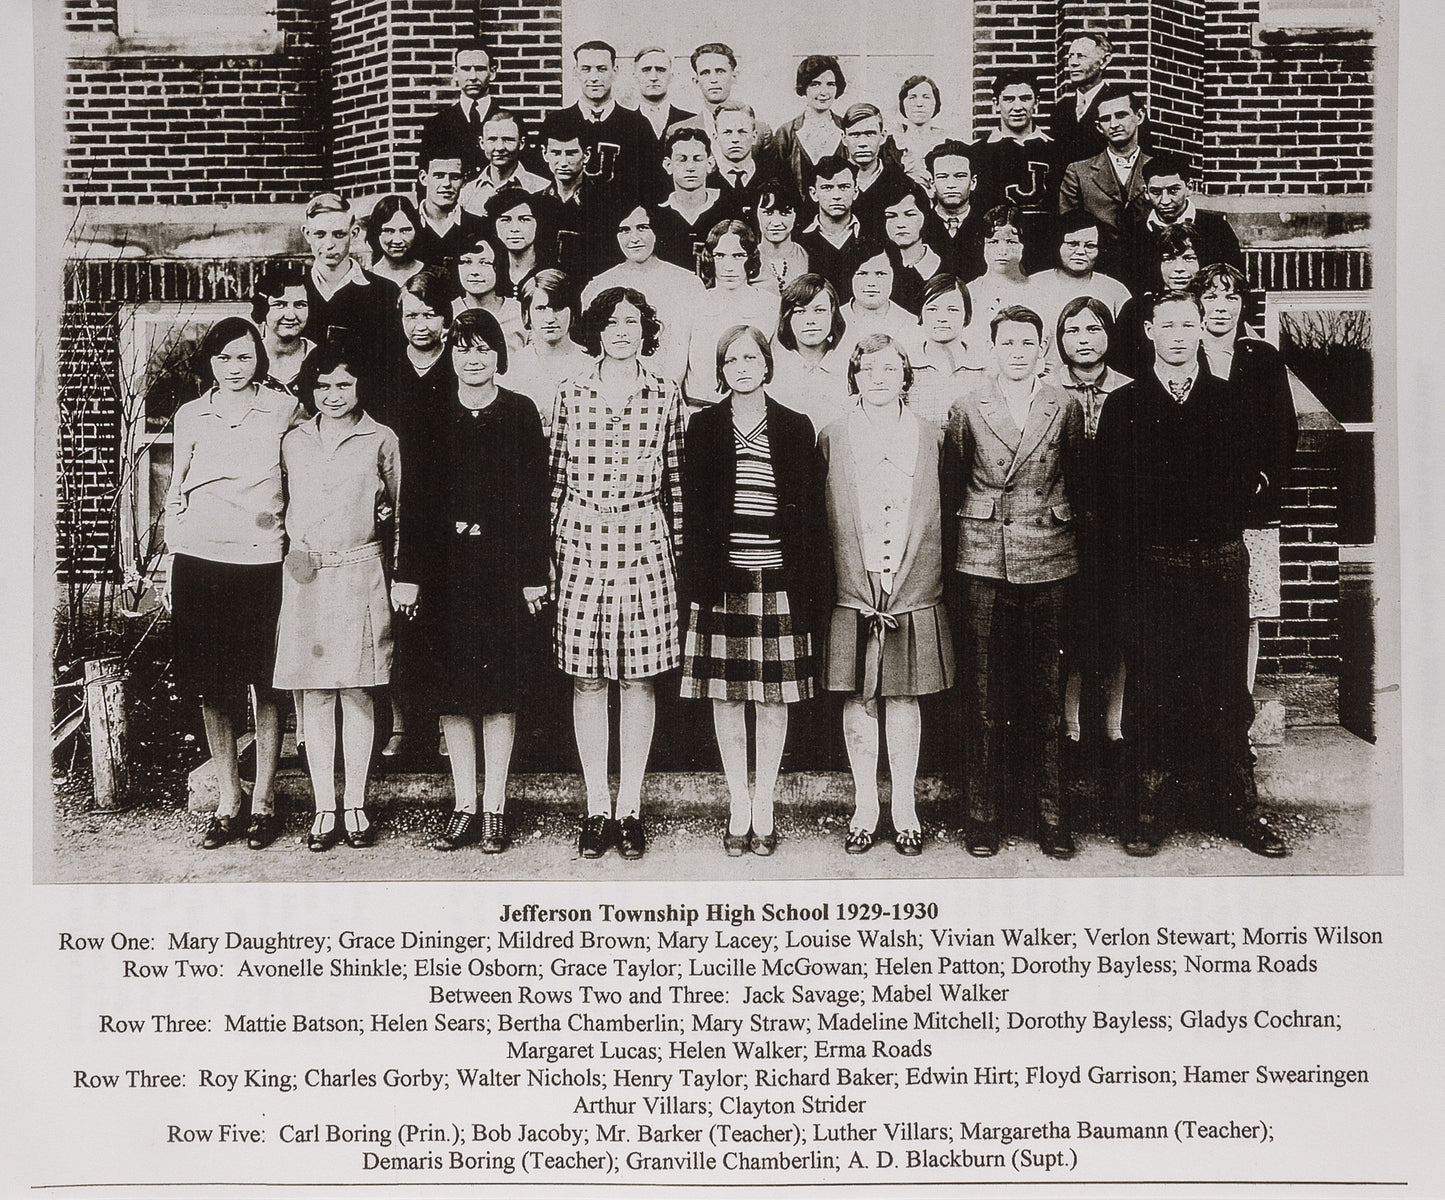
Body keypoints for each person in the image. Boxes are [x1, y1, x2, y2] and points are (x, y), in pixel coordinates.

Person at [1094, 291, 1287, 859]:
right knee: (1152, 684)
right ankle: (1147, 812)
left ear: (1204, 330)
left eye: (1190, 323)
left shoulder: (1230, 400)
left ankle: (1240, 809)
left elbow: (1245, 481)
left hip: (1220, 558)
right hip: (1155, 562)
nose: (1179, 333)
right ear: (1149, 331)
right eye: (1168, 324)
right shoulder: (1126, 405)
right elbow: (1114, 494)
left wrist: (1205, 508)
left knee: (1227, 686)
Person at [395, 309, 551, 854]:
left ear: (498, 355)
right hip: (446, 573)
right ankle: (463, 804)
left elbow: (535, 500)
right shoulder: (431, 415)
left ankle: (495, 808)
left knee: (500, 693)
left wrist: (534, 573)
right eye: (463, 349)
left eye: (483, 349)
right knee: (455, 695)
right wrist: (408, 575)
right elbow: (413, 501)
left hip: (504, 572)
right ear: (451, 355)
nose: (473, 358)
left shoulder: (520, 413)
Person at [680, 325, 829, 855]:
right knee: (725, 698)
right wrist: (698, 580)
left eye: (751, 357)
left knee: (771, 700)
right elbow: (693, 512)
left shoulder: (794, 426)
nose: (742, 367)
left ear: (767, 364)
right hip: (722, 579)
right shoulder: (703, 426)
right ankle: (737, 802)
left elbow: (809, 514)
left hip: (778, 580)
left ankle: (764, 800)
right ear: (721, 371)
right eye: (731, 360)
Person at [550, 288, 686, 860]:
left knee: (637, 680)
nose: (622, 331)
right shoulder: (569, 392)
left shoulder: (665, 393)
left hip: (643, 542)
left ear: (645, 329)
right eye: (611, 322)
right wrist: (549, 555)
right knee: (587, 680)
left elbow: (675, 482)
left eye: (632, 322)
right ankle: (596, 808)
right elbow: (554, 479)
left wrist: (677, 557)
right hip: (580, 540)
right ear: (596, 330)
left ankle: (630, 806)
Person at [947, 305, 1083, 859]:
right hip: (983, 558)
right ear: (993, 348)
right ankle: (983, 816)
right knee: (984, 692)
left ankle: (1050, 814)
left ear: (1041, 350)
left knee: (1047, 692)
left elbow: (1077, 472)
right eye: (1008, 343)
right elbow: (953, 477)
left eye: (1029, 343)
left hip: (1050, 555)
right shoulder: (967, 406)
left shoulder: (1064, 404)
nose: (1019, 352)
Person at [162, 318, 303, 851]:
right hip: (201, 561)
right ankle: (228, 798)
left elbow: (301, 475)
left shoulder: (284, 409)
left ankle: (264, 798)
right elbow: (177, 487)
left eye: (244, 357)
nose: (234, 367)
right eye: (223, 359)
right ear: (211, 364)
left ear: (258, 359)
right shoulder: (191, 415)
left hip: (263, 561)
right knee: (212, 684)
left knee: (266, 681)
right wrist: (176, 540)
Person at [820, 334, 954, 855]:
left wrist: (912, 576)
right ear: (853, 377)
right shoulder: (834, 435)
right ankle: (864, 806)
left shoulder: (931, 436)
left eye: (889, 368)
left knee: (902, 694)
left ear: (906, 377)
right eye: (867, 368)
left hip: (909, 585)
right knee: (859, 694)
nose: (878, 377)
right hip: (856, 586)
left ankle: (904, 808)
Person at [274, 338, 400, 852]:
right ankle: (325, 805)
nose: (332, 393)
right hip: (307, 578)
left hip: (359, 573)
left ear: (360, 386)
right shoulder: (293, 441)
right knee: (316, 694)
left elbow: (398, 507)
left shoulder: (380, 439)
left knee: (356, 691)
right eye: (322, 384)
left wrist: (387, 529)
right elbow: (279, 507)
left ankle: (356, 806)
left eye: (343, 384)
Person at [1193, 263, 1299, 706]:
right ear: (1197, 303)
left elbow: (1283, 430)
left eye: (1230, 297)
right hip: (1192, 510)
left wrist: (1263, 481)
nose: (1221, 307)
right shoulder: (1179, 351)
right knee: (1191, 614)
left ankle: (1237, 714)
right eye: (1212, 297)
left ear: (1242, 304)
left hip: (1249, 509)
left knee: (1246, 615)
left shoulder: (1263, 358)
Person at [376, 268, 457, 763]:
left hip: (448, 508)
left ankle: (449, 720)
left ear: (447, 318)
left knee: (447, 612)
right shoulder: (387, 369)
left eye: (430, 314)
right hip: (394, 505)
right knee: (397, 614)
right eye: (410, 314)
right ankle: (404, 723)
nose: (420, 324)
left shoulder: (460, 365)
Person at [1053, 296, 1132, 778]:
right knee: (1068, 631)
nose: (1083, 339)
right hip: (1062, 524)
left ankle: (1115, 728)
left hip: (1117, 526)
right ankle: (1070, 728)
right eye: (1073, 330)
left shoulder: (1130, 389)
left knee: (1116, 631)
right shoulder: (1046, 391)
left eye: (1093, 329)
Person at [583, 203, 705, 383]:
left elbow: (695, 351)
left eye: (642, 228)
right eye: (624, 230)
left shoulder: (688, 284)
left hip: (672, 391)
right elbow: (594, 351)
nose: (634, 238)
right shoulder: (598, 286)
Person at [541, 40, 658, 206]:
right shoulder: (556, 122)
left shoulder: (637, 124)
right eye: (586, 69)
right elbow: (544, 178)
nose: (594, 78)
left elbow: (651, 182)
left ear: (615, 71)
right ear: (575, 72)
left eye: (602, 69)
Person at [1116, 151, 1245, 298]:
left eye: (1173, 191)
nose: (1165, 200)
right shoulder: (1134, 234)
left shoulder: (1216, 229)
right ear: (1146, 192)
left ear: (1189, 187)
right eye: (1156, 192)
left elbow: (1234, 284)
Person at [970, 70, 1062, 273]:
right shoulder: (977, 152)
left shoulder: (1057, 151)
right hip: (997, 252)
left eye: (1025, 98)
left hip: (1047, 252)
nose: (1017, 106)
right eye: (1009, 99)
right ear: (996, 104)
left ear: (1036, 103)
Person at [683, 220, 781, 411]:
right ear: (710, 258)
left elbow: (777, 370)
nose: (729, 266)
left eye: (738, 256)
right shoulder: (692, 304)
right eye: (720, 256)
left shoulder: (772, 305)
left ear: (750, 258)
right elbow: (676, 371)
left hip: (754, 411)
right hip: (697, 410)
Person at [300, 193, 398, 370]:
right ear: (307, 234)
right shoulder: (294, 291)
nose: (329, 244)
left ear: (354, 233)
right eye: (320, 234)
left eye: (339, 234)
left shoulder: (385, 291)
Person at [1057, 82, 1153, 258]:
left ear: (1139, 116)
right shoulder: (1078, 172)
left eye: (1121, 115)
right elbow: (1070, 225)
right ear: (1099, 127)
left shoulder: (1157, 170)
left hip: (1149, 262)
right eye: (1106, 119)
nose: (1114, 124)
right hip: (1098, 265)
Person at [503, 269, 595, 432]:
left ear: (573, 311)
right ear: (526, 314)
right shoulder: (511, 368)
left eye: (559, 307)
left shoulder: (592, 366)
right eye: (541, 308)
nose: (551, 318)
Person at [1110, 223, 1202, 379]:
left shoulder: (1209, 306)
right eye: (1168, 259)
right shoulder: (1136, 310)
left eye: (1188, 258)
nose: (1179, 268)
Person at [770, 273, 851, 434]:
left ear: (832, 314)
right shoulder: (772, 372)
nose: (810, 320)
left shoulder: (850, 367)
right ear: (788, 318)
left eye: (819, 310)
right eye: (800, 311)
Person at [906, 273, 987, 429]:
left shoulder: (986, 368)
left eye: (952, 309)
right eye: (932, 309)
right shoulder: (903, 366)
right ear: (920, 314)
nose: (941, 318)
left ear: (966, 315)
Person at [651, 127, 730, 272]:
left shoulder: (728, 208)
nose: (690, 167)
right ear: (668, 165)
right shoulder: (655, 214)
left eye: (697, 159)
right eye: (682, 160)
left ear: (710, 164)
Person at [673, 43, 774, 154]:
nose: (713, 80)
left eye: (720, 71)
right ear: (696, 81)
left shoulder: (760, 131)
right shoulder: (678, 131)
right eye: (705, 73)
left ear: (734, 76)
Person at [771, 55, 847, 202]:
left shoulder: (846, 128)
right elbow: (775, 179)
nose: (823, 92)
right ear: (804, 87)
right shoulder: (786, 132)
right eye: (815, 84)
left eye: (830, 84)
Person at [415, 41, 498, 173]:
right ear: (455, 72)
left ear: (492, 73)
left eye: (480, 69)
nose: (472, 77)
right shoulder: (437, 125)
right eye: (465, 69)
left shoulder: (512, 122)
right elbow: (427, 180)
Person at [795, 154, 868, 298]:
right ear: (814, 193)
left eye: (844, 187)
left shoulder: (871, 236)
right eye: (827, 188)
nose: (836, 195)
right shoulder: (799, 240)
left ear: (855, 191)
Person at [836, 244, 920, 361]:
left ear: (893, 276)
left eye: (880, 274)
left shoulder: (912, 324)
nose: (871, 283)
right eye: (862, 274)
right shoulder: (832, 320)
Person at [459, 108, 549, 217]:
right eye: (492, 139)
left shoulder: (542, 188)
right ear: (482, 143)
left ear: (521, 143)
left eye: (508, 139)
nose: (499, 147)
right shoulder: (467, 193)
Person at [709, 101, 787, 227]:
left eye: (742, 132)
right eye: (727, 132)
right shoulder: (707, 184)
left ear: (754, 136)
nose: (735, 139)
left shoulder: (775, 182)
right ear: (716, 137)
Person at [842, 102, 912, 242]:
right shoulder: (829, 184)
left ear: (883, 136)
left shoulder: (904, 185)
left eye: (870, 134)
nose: (862, 143)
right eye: (855, 135)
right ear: (844, 138)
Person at [965, 204, 1039, 331]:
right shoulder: (969, 292)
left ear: (1023, 246)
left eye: (1011, 242)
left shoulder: (1037, 291)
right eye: (993, 242)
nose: (1002, 251)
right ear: (983, 246)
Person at [921, 140, 987, 281]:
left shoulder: (988, 228)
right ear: (932, 183)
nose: (951, 184)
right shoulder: (919, 226)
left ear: (973, 182)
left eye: (960, 176)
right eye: (943, 177)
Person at [451, 230, 526, 354]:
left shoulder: (518, 311)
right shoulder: (449, 311)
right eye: (466, 262)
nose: (474, 271)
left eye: (484, 263)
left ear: (499, 267)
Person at [1048, 32, 1115, 167]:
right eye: (1070, 56)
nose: (1072, 63)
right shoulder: (1061, 110)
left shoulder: (1121, 103)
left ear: (1104, 60)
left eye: (1081, 56)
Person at [410, 150, 485, 267]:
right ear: (424, 178)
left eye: (455, 177)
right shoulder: (407, 224)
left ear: (464, 181)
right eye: (439, 176)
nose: (446, 183)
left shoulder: (479, 227)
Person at [881, 180, 943, 315]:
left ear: (925, 216)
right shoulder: (879, 268)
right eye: (891, 216)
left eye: (909, 215)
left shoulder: (942, 266)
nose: (900, 224)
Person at [252, 264, 314, 397]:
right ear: (262, 308)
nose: (291, 315)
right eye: (280, 305)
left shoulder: (321, 356)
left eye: (300, 305)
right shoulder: (248, 357)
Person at [484, 188, 554, 290]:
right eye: (505, 220)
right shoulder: (491, 272)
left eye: (524, 219)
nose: (514, 229)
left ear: (538, 224)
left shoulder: (551, 272)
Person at [894, 74, 955, 189]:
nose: (919, 104)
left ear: (935, 102)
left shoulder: (946, 143)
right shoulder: (892, 145)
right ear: (903, 103)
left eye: (926, 97)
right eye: (912, 97)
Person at [753, 183, 810, 295]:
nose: (776, 222)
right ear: (756, 214)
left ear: (795, 215)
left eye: (785, 213)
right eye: (767, 213)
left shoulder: (808, 255)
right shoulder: (745, 258)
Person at [633, 46, 695, 140]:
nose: (653, 77)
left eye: (660, 70)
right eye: (646, 70)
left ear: (671, 77)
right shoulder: (623, 122)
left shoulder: (691, 121)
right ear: (636, 77)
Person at [364, 194, 426, 287]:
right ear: (376, 232)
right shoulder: (365, 279)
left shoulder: (433, 274)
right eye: (388, 231)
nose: (397, 240)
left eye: (405, 230)